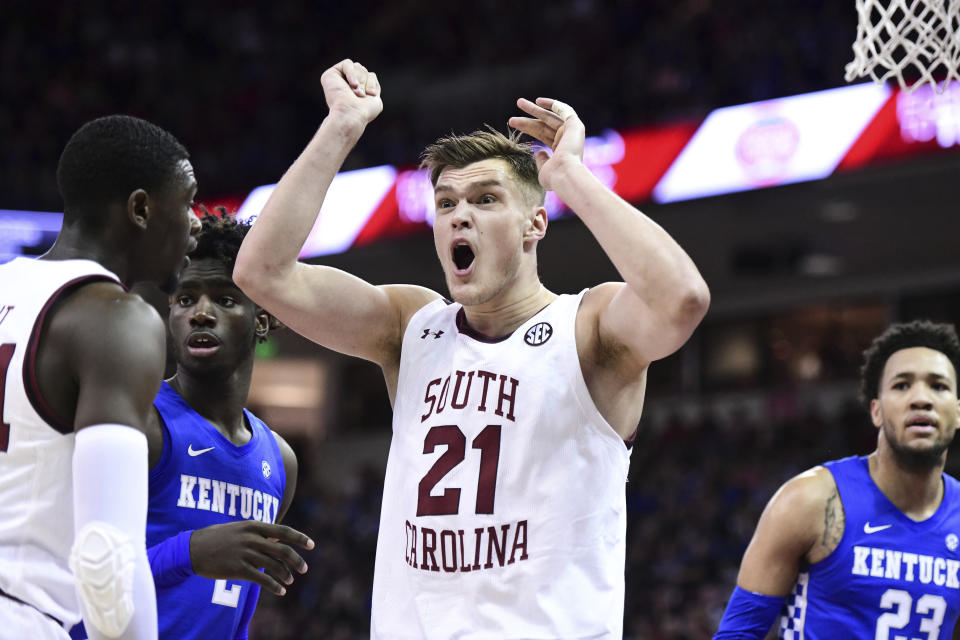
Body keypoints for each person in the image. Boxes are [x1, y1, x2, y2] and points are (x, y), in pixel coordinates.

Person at [233, 59, 710, 639]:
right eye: (446, 203)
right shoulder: (411, 326)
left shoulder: (588, 327)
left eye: (486, 200)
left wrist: (570, 177)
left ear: (535, 224)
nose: (460, 214)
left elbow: (681, 298)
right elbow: (262, 272)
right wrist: (342, 127)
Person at [0, 115, 201, 640]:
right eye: (187, 202)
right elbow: (107, 555)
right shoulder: (118, 319)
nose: (195, 222)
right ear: (140, 209)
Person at [69, 211, 315, 640]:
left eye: (224, 298)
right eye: (185, 299)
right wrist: (189, 552)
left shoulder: (280, 461)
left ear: (261, 318)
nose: (200, 314)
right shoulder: (138, 423)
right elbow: (73, 579)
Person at [714, 320, 960, 639]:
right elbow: (737, 634)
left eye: (938, 386)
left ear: (957, 412)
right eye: (901, 385)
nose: (921, 399)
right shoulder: (810, 500)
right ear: (876, 411)